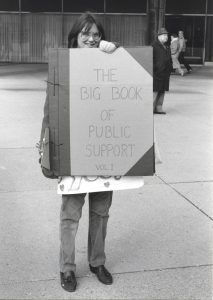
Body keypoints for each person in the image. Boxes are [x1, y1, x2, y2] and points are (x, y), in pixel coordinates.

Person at [39, 12, 119, 293]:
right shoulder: (63, 67)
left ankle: (97, 262)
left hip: (103, 152)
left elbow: (130, 78)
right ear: (74, 37)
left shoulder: (110, 62)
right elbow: (50, 112)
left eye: (97, 34)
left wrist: (115, 51)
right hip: (73, 155)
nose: (92, 39)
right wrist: (46, 152)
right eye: (85, 33)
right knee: (70, 216)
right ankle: (67, 268)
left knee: (101, 212)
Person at [152, 27, 172, 114]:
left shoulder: (167, 47)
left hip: (165, 73)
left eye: (166, 35)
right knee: (155, 91)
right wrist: (155, 68)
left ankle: (159, 108)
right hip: (157, 73)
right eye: (164, 35)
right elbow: (150, 59)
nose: (166, 37)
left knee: (162, 90)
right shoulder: (153, 46)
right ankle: (151, 108)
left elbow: (169, 59)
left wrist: (170, 69)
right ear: (159, 36)